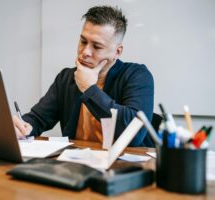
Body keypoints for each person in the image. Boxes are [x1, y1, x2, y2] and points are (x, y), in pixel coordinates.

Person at [13, 5, 154, 147]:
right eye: (83, 41)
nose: (85, 51)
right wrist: (23, 127)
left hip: (122, 165)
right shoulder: (66, 78)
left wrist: (89, 89)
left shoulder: (137, 75)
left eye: (97, 47)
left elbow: (134, 134)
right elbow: (38, 118)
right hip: (76, 162)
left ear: (117, 52)